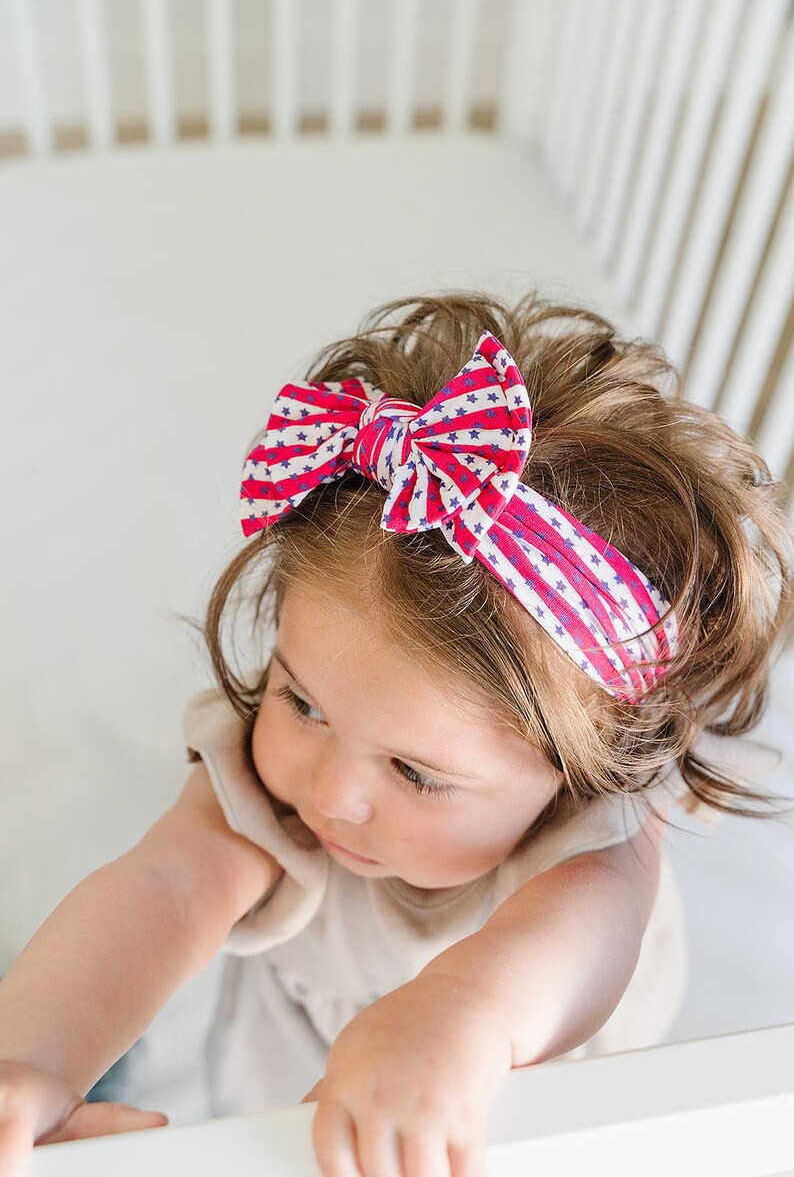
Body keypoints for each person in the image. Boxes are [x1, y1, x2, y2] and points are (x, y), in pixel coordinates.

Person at [0, 291, 792, 1177]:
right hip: (292, 1069)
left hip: (526, 1091)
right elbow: (162, 888)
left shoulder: (590, 842)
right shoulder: (278, 783)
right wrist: (31, 1054)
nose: (330, 793)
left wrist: (462, 1013)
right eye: (303, 703)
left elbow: (579, 942)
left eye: (415, 772)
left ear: (575, 772)